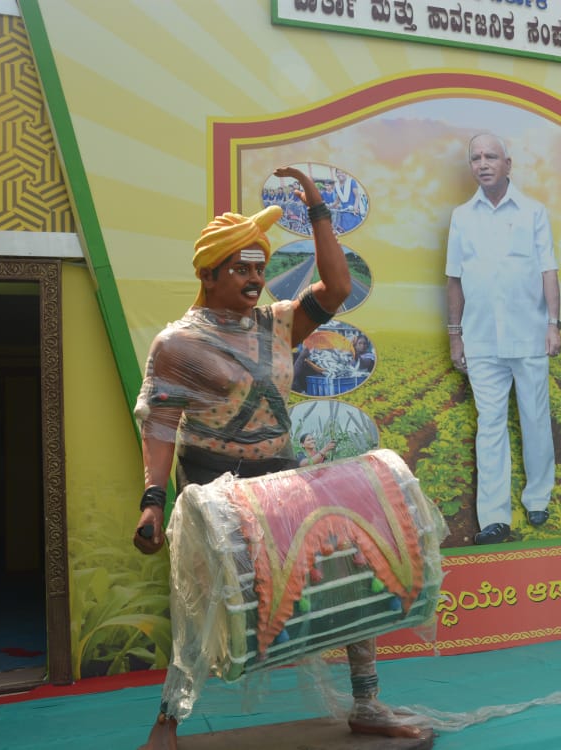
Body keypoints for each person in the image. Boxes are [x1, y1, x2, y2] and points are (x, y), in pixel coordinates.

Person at [131, 165, 422, 749]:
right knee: (201, 603)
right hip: (214, 490)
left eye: (259, 269)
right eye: (241, 268)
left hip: (281, 481)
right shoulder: (177, 345)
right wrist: (153, 501)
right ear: (208, 274)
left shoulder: (278, 323)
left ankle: (367, 703)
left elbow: (337, 288)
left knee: (349, 569)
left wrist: (318, 210)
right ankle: (167, 721)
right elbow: (161, 425)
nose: (254, 279)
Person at [445, 133, 561, 545]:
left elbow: (548, 270)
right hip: (481, 340)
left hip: (529, 336)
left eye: (491, 156)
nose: (483, 163)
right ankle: (495, 518)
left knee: (535, 419)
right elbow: (454, 279)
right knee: (489, 425)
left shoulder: (533, 212)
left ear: (508, 164)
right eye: (476, 157)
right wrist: (455, 336)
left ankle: (538, 498)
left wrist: (553, 324)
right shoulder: (462, 216)